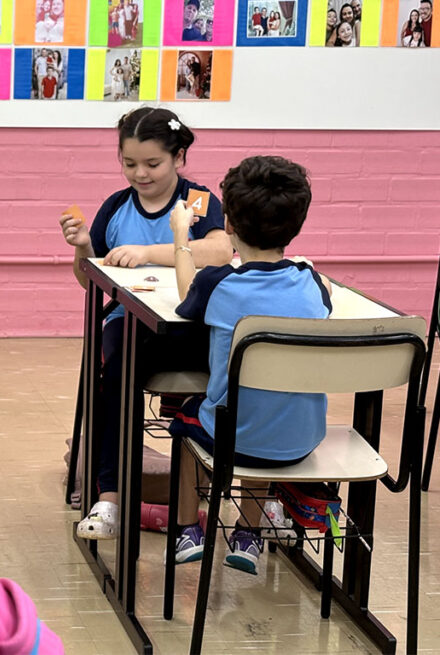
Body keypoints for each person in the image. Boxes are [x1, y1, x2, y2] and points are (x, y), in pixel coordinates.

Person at [58, 107, 232, 540]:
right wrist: (83, 249)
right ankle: (110, 499)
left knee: (234, 365)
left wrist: (148, 252)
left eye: (153, 163)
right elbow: (90, 280)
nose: (140, 173)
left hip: (190, 327)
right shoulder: (116, 206)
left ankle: (213, 486)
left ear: (179, 157)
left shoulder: (197, 200)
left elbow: (220, 251)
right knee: (117, 371)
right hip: (131, 325)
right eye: (129, 163)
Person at [168, 156, 332, 574]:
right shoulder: (312, 284)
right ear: (296, 225)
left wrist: (181, 237)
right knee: (265, 407)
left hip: (234, 441)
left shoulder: (219, 282)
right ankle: (248, 534)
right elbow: (327, 294)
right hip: (301, 441)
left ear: (229, 225)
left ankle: (188, 530)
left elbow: (186, 293)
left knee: (191, 416)